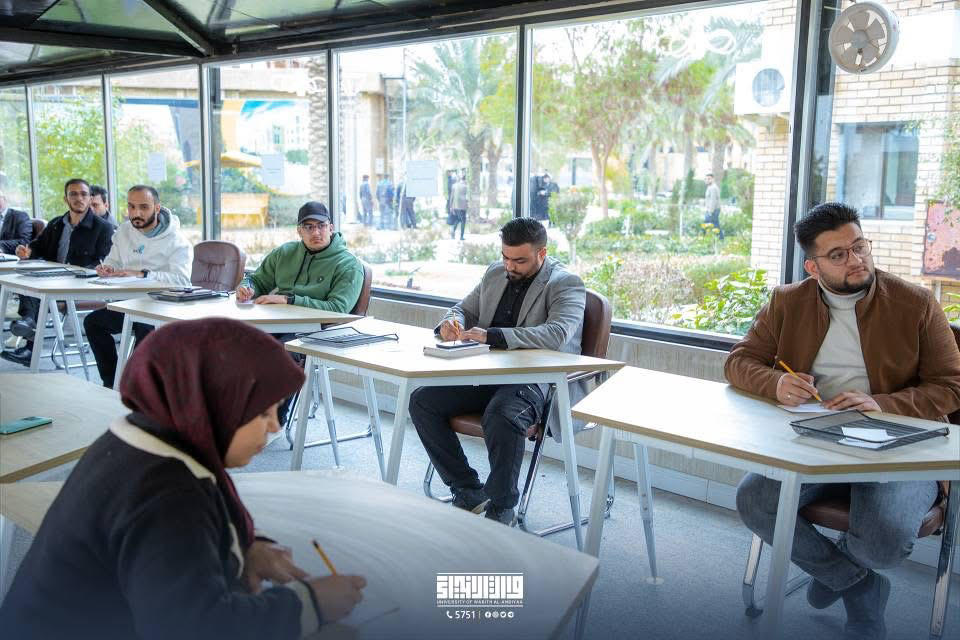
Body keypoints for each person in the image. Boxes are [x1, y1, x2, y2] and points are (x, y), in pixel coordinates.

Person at [0, 318, 366, 639]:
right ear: (215, 405)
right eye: (262, 413)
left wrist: (242, 549)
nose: (275, 427)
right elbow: (195, 628)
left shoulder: (141, 441)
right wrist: (310, 604)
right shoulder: (168, 496)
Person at [726, 202, 960, 639]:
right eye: (838, 255)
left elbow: (952, 386)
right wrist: (776, 383)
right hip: (816, 439)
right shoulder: (787, 302)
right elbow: (739, 361)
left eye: (860, 246)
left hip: (901, 444)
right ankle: (858, 586)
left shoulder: (916, 304)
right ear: (813, 267)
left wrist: (881, 403)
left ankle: (841, 573)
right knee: (754, 500)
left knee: (883, 540)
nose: (856, 260)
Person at [409, 217, 587, 526]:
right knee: (422, 401)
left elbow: (556, 334)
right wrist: (453, 323)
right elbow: (464, 309)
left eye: (520, 260)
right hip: (488, 373)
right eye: (506, 257)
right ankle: (467, 490)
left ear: (542, 253)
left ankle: (502, 507)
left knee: (503, 415)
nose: (510, 266)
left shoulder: (565, 283)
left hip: (537, 380)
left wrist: (492, 336)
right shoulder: (495, 272)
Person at [236, 201, 364, 423]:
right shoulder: (284, 253)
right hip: (277, 322)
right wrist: (247, 287)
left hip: (320, 330)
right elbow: (256, 279)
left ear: (331, 228)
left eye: (321, 226)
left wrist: (289, 299)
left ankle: (272, 420)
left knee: (278, 354)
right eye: (309, 227)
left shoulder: (349, 264)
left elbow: (338, 309)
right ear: (299, 231)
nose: (316, 232)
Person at [83, 185, 193, 388]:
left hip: (160, 309)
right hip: (128, 304)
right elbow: (113, 261)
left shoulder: (177, 241)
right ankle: (112, 382)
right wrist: (108, 268)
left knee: (145, 328)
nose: (136, 213)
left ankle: (136, 387)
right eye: (132, 207)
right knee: (93, 323)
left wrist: (144, 274)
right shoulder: (124, 231)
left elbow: (182, 281)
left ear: (157, 208)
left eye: (143, 207)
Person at [1, 178, 113, 367]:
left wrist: (76, 273)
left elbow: (104, 261)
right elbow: (37, 247)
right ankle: (29, 327)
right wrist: (27, 252)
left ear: (90, 198)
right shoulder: (56, 224)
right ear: (65, 199)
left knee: (39, 292)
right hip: (53, 278)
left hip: (81, 283)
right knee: (25, 282)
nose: (79, 198)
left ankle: (29, 332)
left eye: (84, 194)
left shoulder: (103, 227)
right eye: (73, 194)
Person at [703, 173, 722, 238]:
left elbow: (713, 200)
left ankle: (704, 238)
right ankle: (720, 239)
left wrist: (710, 212)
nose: (707, 180)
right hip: (712, 210)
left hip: (713, 210)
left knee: (706, 224)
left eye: (709, 179)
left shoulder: (713, 188)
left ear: (713, 179)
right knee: (716, 225)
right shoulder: (710, 187)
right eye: (706, 179)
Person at [450, 174, 468, 240]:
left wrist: (450, 206)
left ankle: (453, 231)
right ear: (465, 179)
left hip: (455, 206)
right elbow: (467, 197)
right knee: (463, 221)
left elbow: (451, 196)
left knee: (458, 219)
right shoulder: (466, 186)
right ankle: (461, 236)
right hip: (463, 207)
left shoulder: (454, 186)